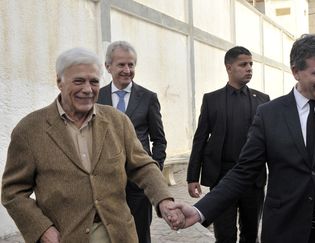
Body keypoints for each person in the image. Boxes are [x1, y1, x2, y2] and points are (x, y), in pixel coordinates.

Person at [173, 34, 315, 243]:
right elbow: (244, 171)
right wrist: (200, 211)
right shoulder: (269, 114)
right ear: (296, 72)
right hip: (288, 230)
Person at [1, 47, 183, 243]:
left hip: (120, 235)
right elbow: (13, 192)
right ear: (59, 82)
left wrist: (163, 200)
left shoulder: (117, 121)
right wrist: (43, 230)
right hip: (65, 237)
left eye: (94, 81)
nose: (87, 89)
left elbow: (143, 166)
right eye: (78, 81)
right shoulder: (30, 129)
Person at [187, 46, 270, 243]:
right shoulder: (212, 100)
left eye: (251, 64)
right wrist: (192, 176)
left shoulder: (263, 101)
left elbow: (271, 141)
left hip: (253, 178)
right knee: (224, 235)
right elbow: (200, 139)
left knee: (250, 233)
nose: (249, 68)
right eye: (243, 64)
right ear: (229, 67)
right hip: (221, 177)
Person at [97, 41, 167, 243]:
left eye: (131, 65)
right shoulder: (96, 97)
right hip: (105, 183)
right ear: (108, 67)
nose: (127, 70)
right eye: (121, 65)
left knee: (140, 234)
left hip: (139, 183)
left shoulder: (148, 98)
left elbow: (159, 140)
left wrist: (154, 169)